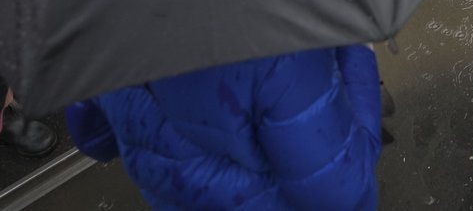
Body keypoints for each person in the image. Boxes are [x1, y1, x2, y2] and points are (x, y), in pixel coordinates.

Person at [67, 46, 382, 209]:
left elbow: (93, 137)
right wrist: (358, 53)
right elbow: (340, 192)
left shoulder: (99, 23)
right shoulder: (279, 51)